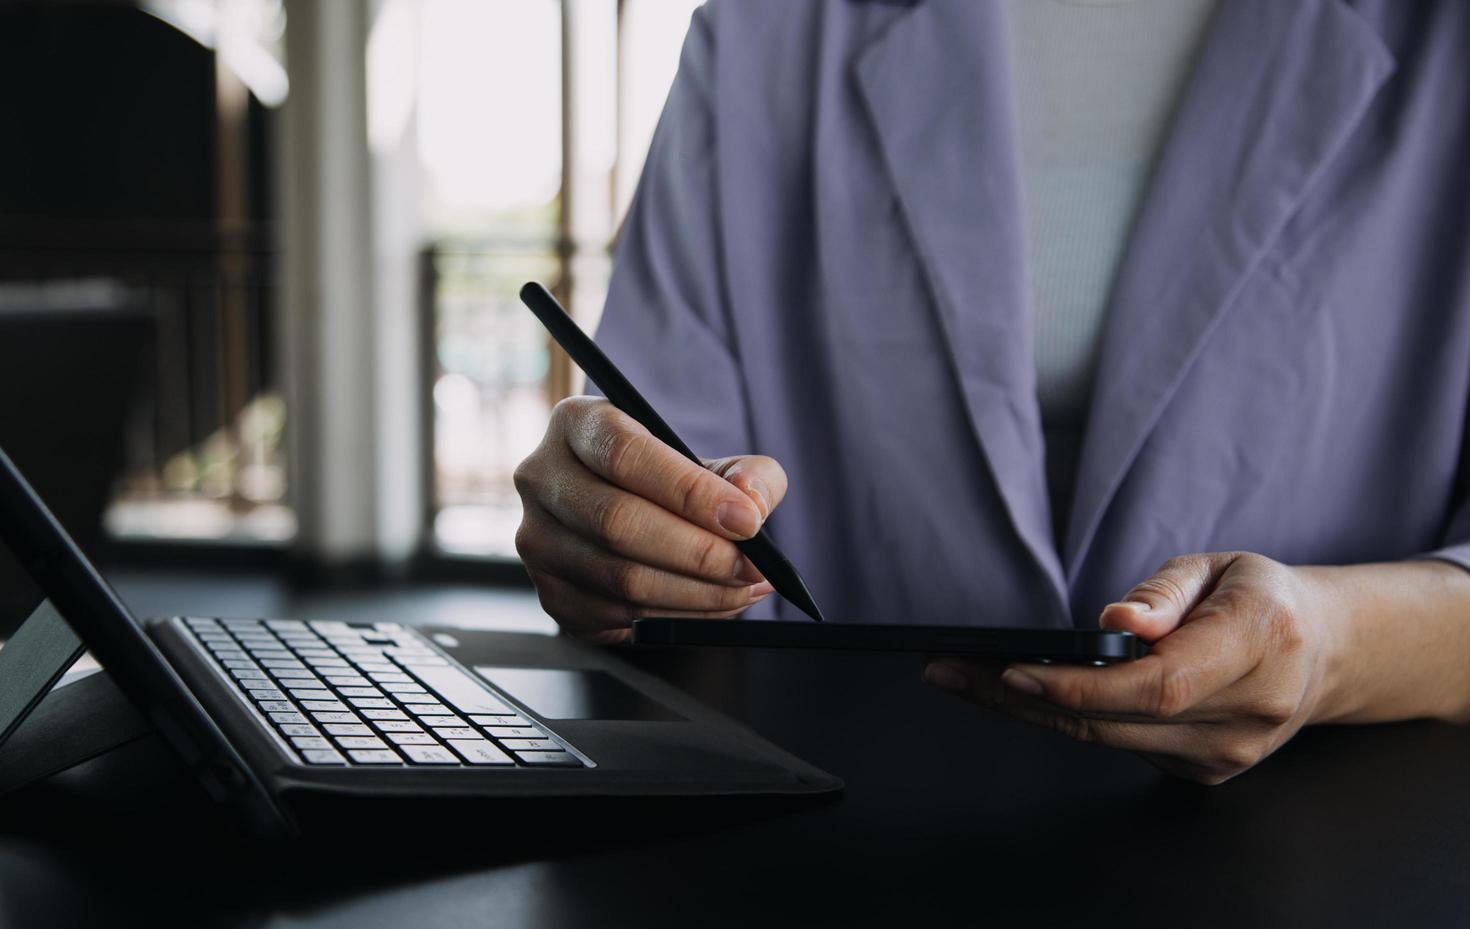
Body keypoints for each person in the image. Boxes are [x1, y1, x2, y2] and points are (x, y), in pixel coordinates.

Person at [512, 0, 1470, 783]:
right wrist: (615, 531)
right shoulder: (767, 27)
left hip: (1343, 843)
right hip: (844, 842)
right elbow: (660, 466)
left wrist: (1332, 644)